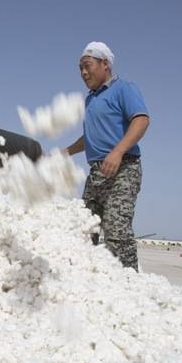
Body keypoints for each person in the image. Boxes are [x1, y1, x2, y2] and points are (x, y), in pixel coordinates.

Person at [64, 41, 150, 269]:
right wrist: (66, 152)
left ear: (105, 64)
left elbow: (141, 120)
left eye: (87, 66)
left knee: (116, 231)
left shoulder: (124, 88)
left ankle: (130, 284)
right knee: (84, 229)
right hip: (97, 173)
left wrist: (118, 152)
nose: (83, 72)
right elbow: (90, 137)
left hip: (123, 168)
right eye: (80, 68)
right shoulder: (90, 99)